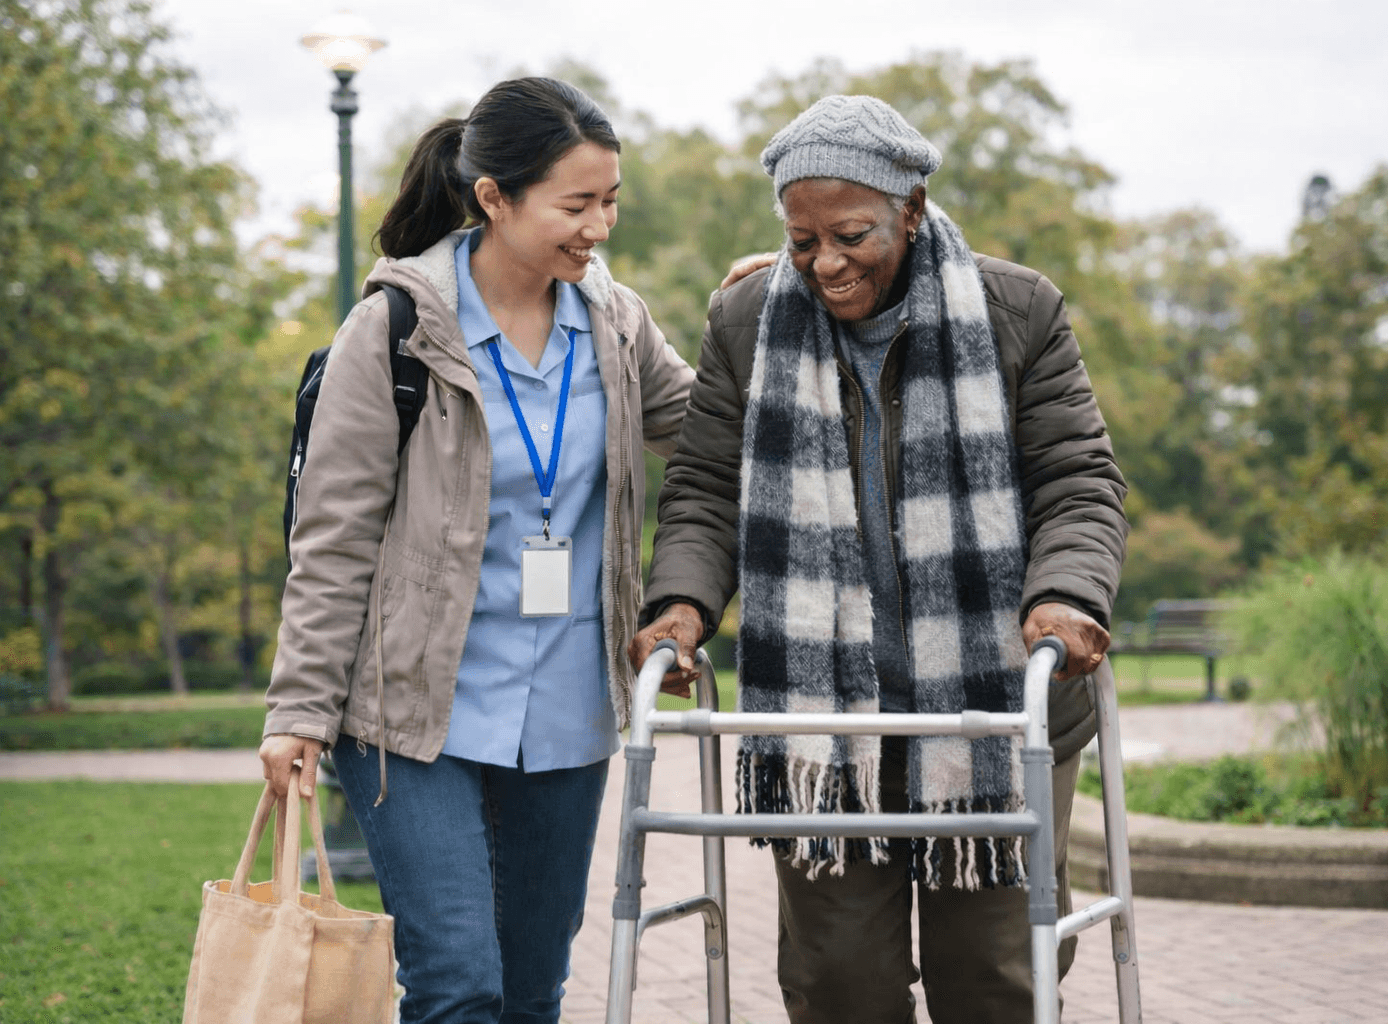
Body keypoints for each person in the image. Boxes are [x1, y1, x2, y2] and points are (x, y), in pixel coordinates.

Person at [629, 94, 1128, 1024]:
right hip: (827, 724)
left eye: (851, 233)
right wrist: (682, 604)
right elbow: (704, 489)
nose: (825, 262)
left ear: (911, 205)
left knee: (996, 980)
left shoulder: (1018, 309)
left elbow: (1077, 481)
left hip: (991, 711)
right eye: (802, 238)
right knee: (836, 987)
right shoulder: (747, 320)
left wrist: (1064, 593)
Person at [259, 77, 694, 1024]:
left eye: (610, 200)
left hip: (571, 712)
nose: (601, 227)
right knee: (458, 984)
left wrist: (766, 312)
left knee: (534, 993)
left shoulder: (616, 326)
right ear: (494, 197)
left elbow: (709, 431)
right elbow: (331, 539)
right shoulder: (396, 331)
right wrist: (296, 709)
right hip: (417, 714)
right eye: (576, 205)